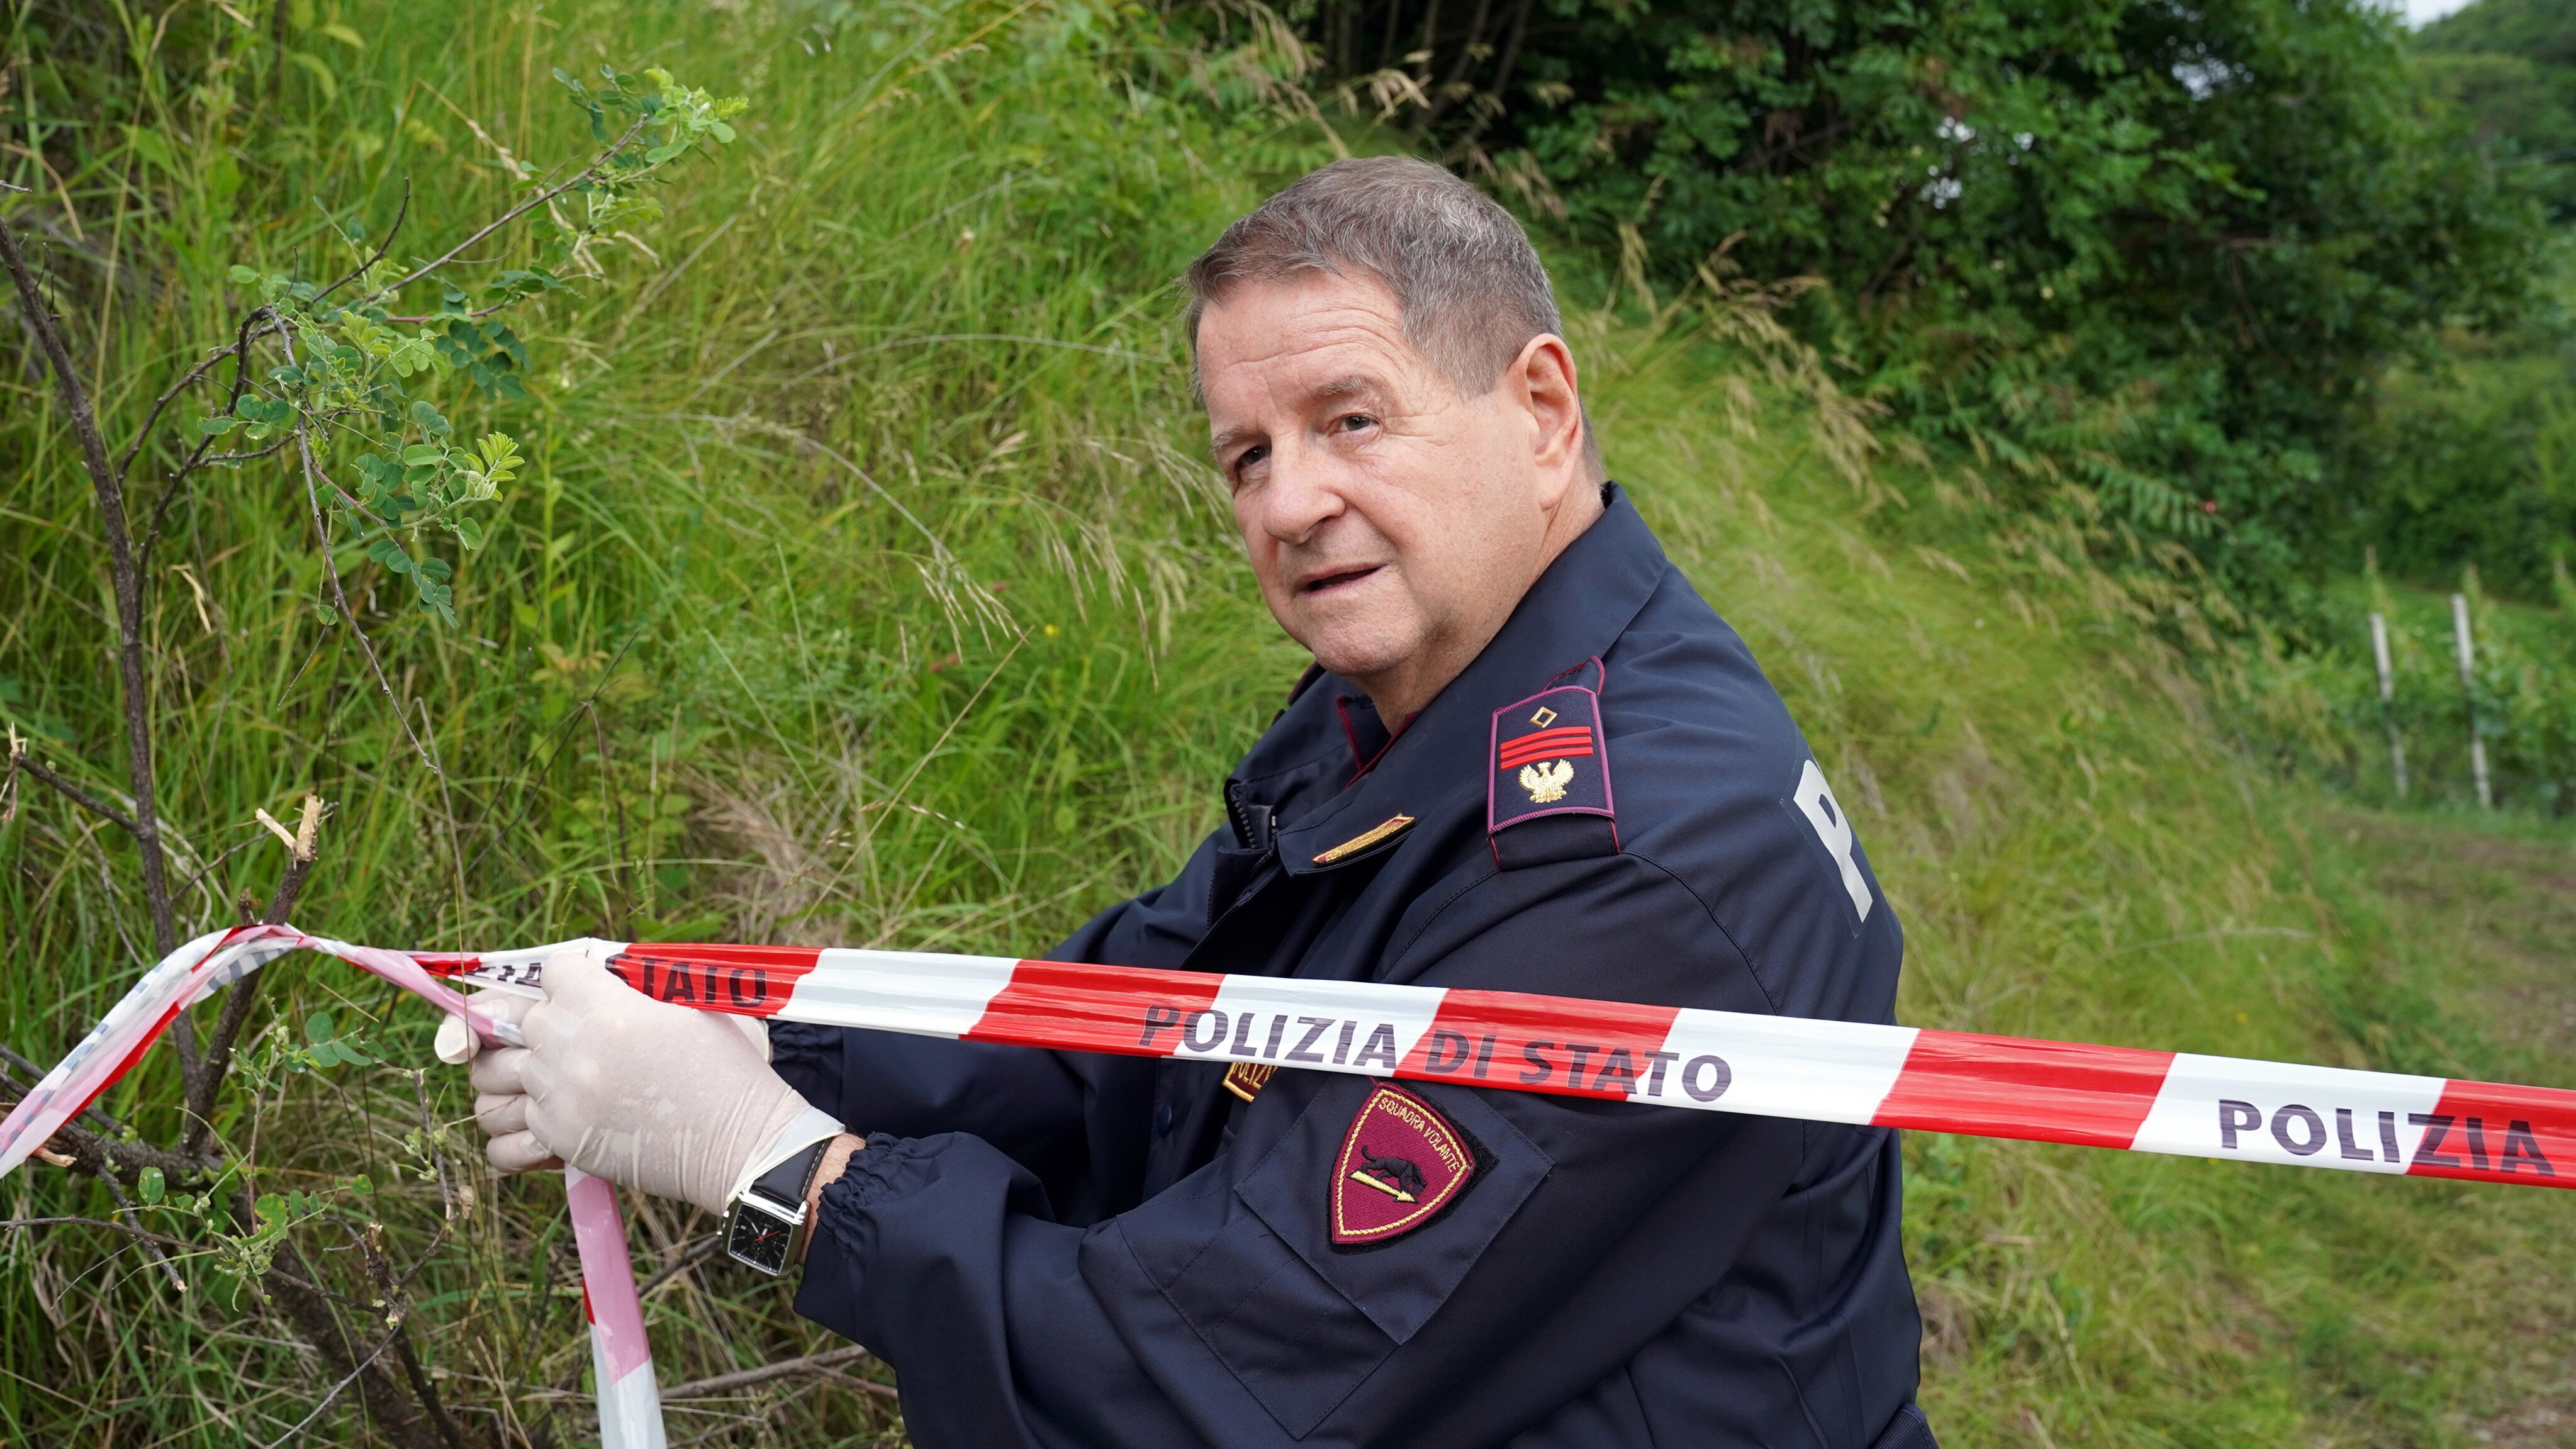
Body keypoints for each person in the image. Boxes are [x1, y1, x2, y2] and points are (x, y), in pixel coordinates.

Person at [462, 156, 1934, 1448]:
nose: (1287, 505)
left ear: (1540, 411)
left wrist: (772, 1165)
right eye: (1248, 455)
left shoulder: (1633, 863)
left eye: (1350, 420)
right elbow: (1133, 1034)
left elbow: (1215, 1384)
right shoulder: (1430, 697)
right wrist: (765, 1039)